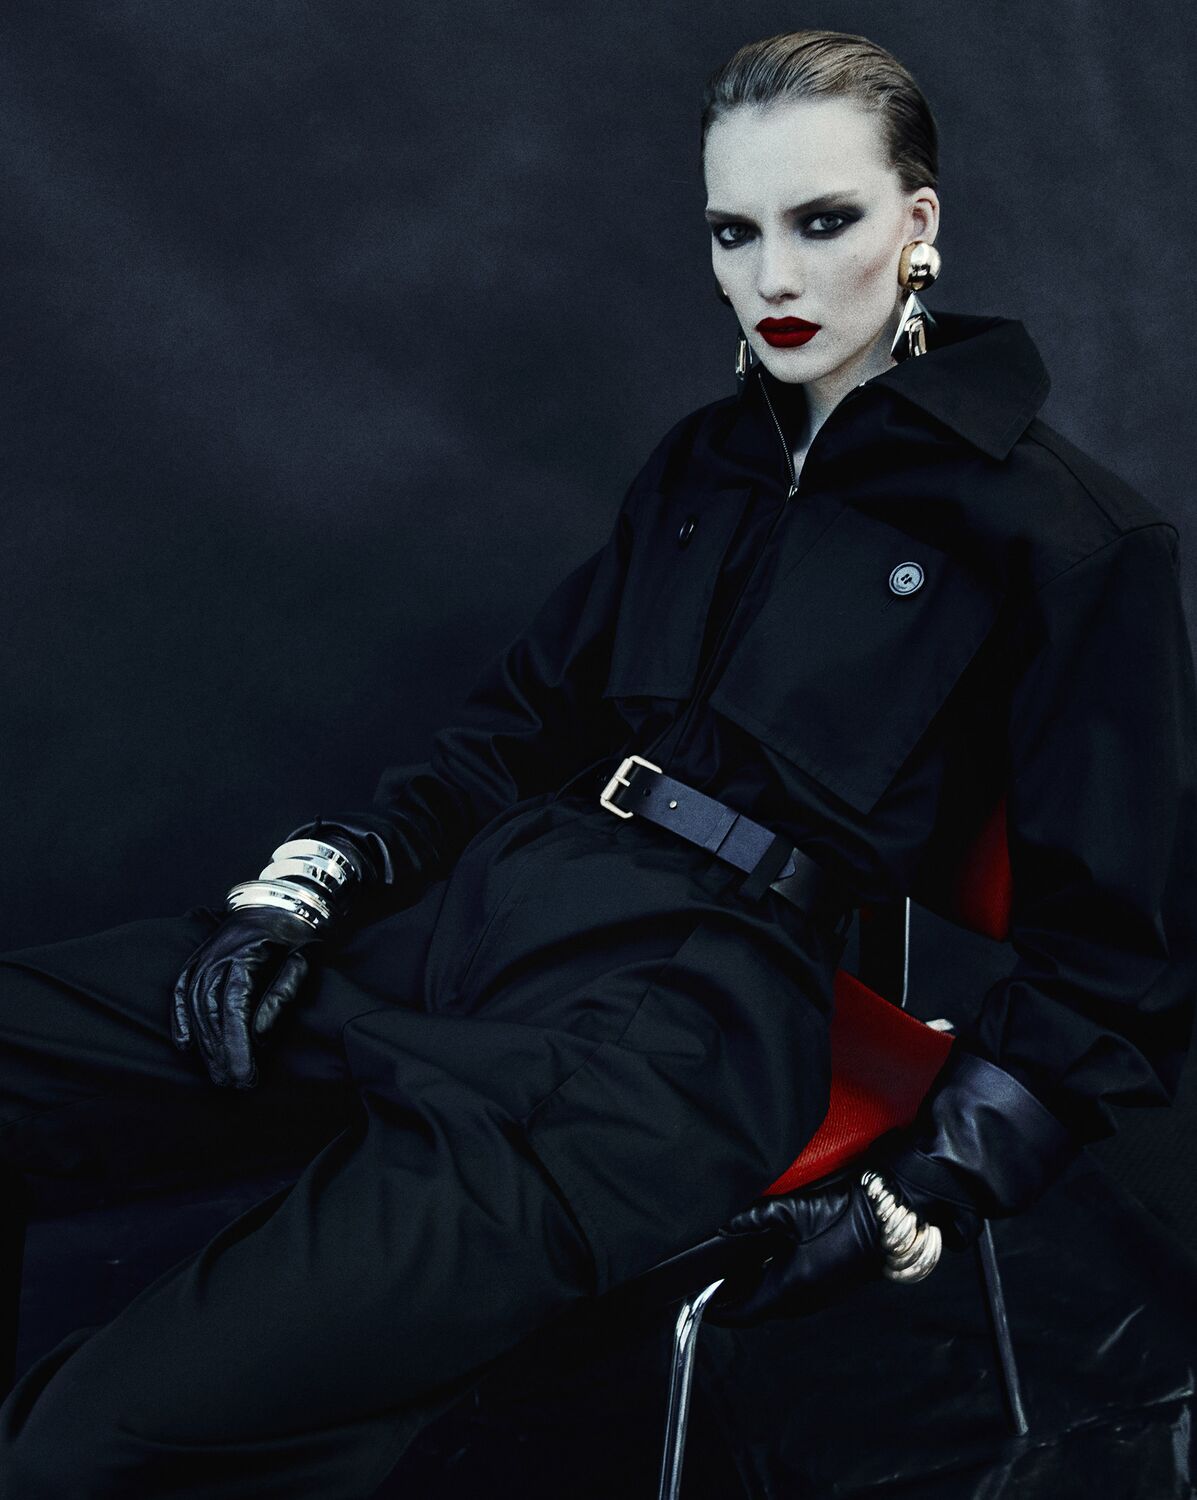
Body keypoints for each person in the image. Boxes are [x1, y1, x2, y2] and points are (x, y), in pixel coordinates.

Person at [1, 25, 1195, 1497]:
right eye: (733, 232)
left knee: (97, 1443)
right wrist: (316, 890)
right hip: (475, 921)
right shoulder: (705, 464)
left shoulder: (1066, 536)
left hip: (677, 1022)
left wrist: (941, 1178)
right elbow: (522, 726)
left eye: (823, 222)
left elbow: (1118, 962)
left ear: (917, 224)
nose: (773, 278)